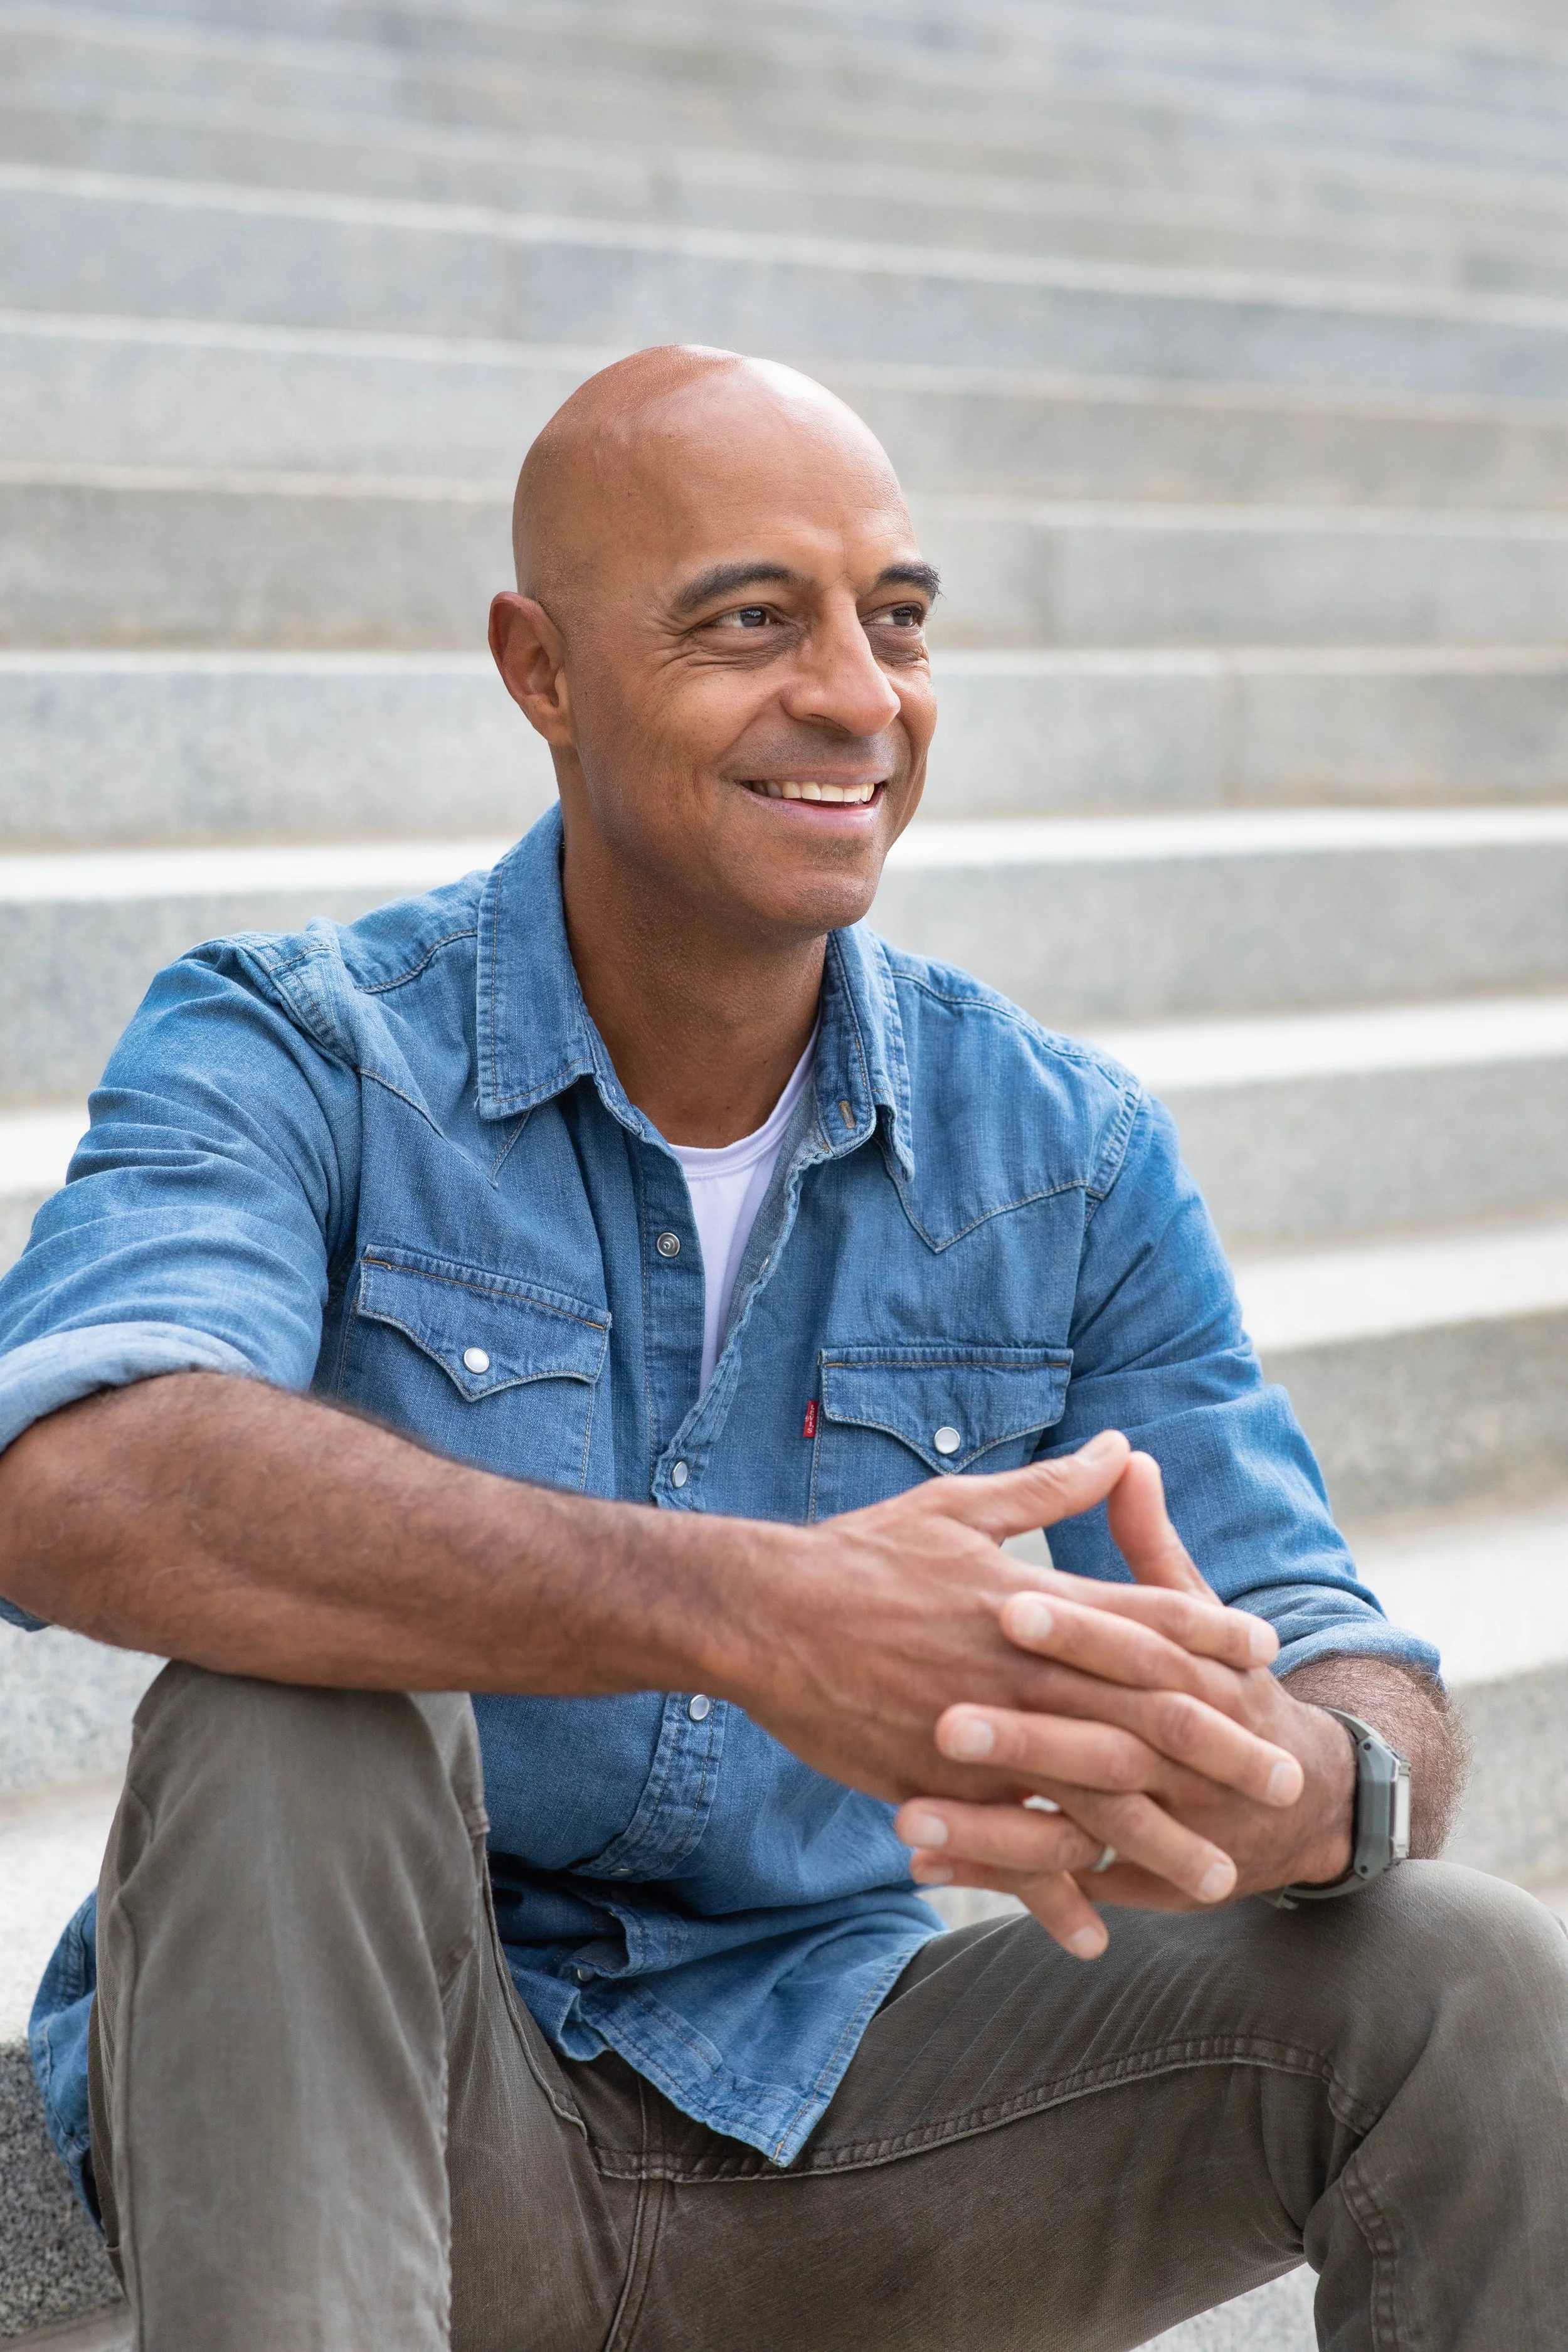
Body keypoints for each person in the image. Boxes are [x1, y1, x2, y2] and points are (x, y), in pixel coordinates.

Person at [0, 345, 1563, 2352]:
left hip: (838, 2109)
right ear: (543, 670)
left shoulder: (1057, 1148)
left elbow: (1331, 1640)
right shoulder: (300, 1048)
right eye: (750, 622)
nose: (856, 696)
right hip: (394, 2119)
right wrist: (750, 1609)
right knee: (295, 1713)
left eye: (893, 620)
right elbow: (75, 1466)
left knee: (1470, 1975)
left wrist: (1315, 1776)